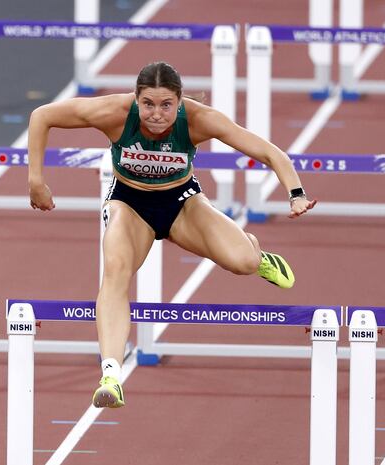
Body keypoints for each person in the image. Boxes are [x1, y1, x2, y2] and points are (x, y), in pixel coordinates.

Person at [26, 61, 316, 408]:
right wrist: (35, 180)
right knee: (115, 273)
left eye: (166, 105)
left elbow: (270, 152)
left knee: (242, 262)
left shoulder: (198, 119)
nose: (157, 114)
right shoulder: (114, 113)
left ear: (179, 102)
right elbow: (41, 116)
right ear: (136, 99)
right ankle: (111, 375)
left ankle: (257, 255)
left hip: (181, 203)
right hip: (129, 204)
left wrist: (295, 193)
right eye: (148, 104)